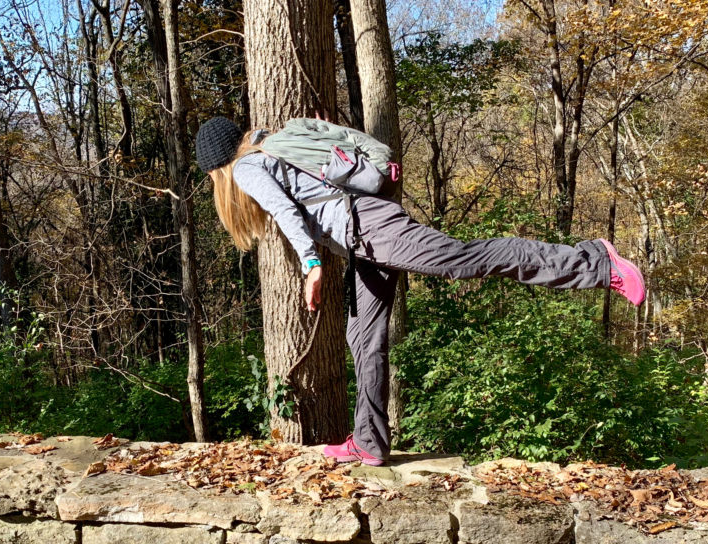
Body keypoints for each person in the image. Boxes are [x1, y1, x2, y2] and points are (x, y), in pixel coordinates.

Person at [195, 115, 645, 467]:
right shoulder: (272, 144)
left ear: (217, 167)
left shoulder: (248, 167)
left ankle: (596, 262)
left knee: (466, 258)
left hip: (371, 230)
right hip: (364, 238)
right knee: (362, 336)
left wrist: (312, 265)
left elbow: (286, 214)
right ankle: (369, 443)